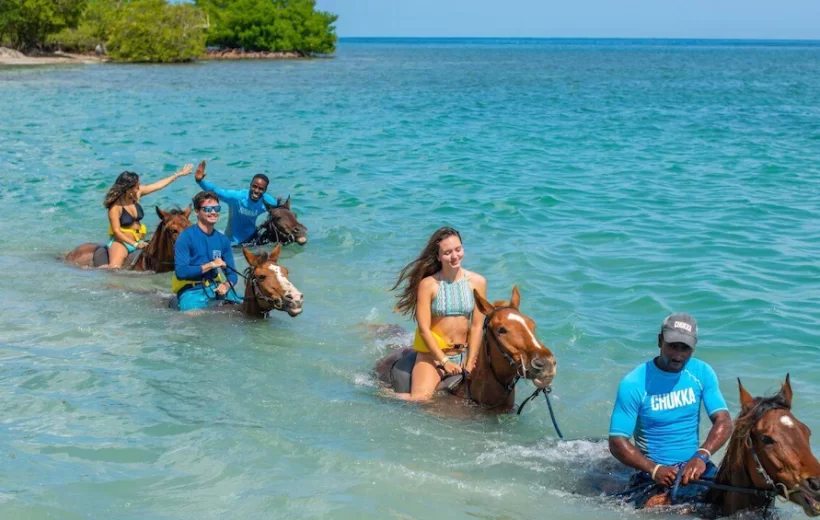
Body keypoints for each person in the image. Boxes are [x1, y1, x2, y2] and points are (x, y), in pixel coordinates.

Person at [608, 313, 732, 507]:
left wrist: (701, 456)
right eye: (673, 346)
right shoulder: (634, 383)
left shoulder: (702, 372)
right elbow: (617, 441)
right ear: (660, 341)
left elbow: (723, 421)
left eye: (685, 348)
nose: (678, 355)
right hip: (652, 472)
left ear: (694, 346)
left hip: (695, 465)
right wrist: (654, 469)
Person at [390, 227, 487, 401]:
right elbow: (424, 329)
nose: (455, 256)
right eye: (447, 252)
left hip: (464, 354)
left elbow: (477, 325)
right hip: (433, 356)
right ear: (438, 257)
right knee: (420, 399)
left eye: (458, 249)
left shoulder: (478, 282)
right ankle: (381, 395)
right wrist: (444, 361)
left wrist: (471, 359)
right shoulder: (429, 285)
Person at [101, 164, 192, 268]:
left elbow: (158, 185)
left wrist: (179, 174)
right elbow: (116, 232)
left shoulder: (136, 195)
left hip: (140, 240)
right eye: (137, 187)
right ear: (128, 189)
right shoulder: (115, 207)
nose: (139, 188)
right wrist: (135, 244)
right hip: (122, 243)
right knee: (114, 268)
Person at [172, 191, 242, 312]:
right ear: (197, 212)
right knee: (194, 317)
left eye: (217, 208)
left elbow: (232, 275)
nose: (214, 212)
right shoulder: (185, 237)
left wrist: (225, 286)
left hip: (215, 288)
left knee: (247, 307)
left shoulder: (223, 240)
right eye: (208, 209)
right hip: (191, 291)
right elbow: (181, 272)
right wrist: (211, 265)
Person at [194, 160, 279, 245]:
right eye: (254, 186)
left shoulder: (267, 202)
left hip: (253, 238)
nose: (256, 191)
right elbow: (217, 192)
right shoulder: (237, 197)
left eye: (260, 189)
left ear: (265, 190)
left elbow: (281, 211)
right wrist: (200, 181)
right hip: (233, 242)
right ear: (250, 185)